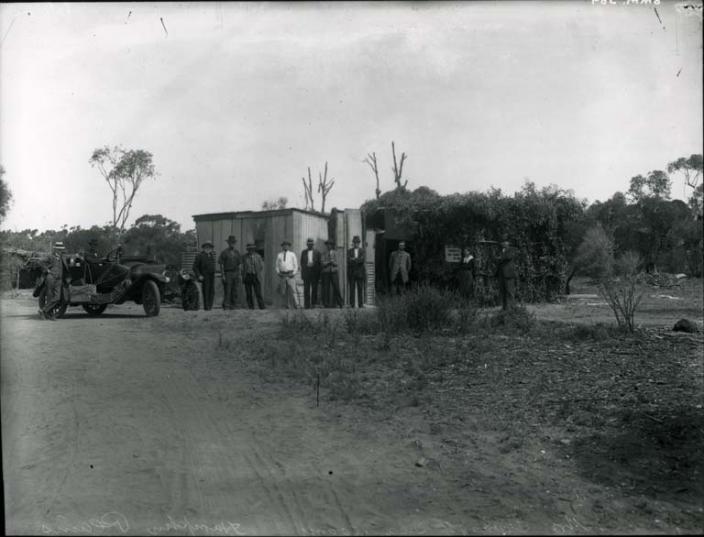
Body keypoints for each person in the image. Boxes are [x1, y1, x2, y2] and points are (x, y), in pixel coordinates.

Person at [39, 242, 70, 320]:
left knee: (57, 297)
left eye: (61, 249)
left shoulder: (62, 257)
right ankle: (49, 314)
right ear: (56, 249)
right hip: (51, 277)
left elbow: (69, 258)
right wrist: (47, 270)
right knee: (50, 296)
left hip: (59, 279)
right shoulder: (50, 256)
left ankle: (43, 310)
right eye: (59, 249)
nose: (61, 251)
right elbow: (41, 262)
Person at [219, 235, 242, 310]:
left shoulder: (237, 252)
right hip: (227, 273)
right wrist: (223, 275)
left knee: (235, 290)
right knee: (227, 290)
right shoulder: (224, 252)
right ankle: (226, 306)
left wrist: (239, 274)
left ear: (234, 243)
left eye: (233, 242)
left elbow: (239, 264)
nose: (232, 244)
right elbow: (221, 265)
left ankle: (233, 305)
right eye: (230, 242)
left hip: (235, 273)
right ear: (228, 243)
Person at [275, 240, 300, 309]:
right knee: (283, 291)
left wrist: (294, 273)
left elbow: (296, 265)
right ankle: (286, 305)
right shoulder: (279, 255)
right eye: (284, 245)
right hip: (283, 274)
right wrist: (278, 272)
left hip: (290, 274)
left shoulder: (292, 254)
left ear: (289, 246)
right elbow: (277, 266)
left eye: (287, 245)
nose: (285, 246)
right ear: (282, 246)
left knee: (293, 290)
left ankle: (296, 305)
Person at [241, 243, 266, 310]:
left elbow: (261, 266)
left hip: (256, 276)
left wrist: (256, 271)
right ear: (248, 250)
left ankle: (262, 307)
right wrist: (244, 273)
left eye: (252, 249)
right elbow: (242, 266)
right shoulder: (244, 257)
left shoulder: (258, 256)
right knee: (248, 293)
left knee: (258, 293)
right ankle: (251, 307)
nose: (250, 251)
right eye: (249, 249)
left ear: (254, 250)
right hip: (248, 276)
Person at [193, 241, 216, 310]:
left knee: (212, 291)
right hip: (205, 276)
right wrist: (199, 275)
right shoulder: (200, 256)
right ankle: (206, 307)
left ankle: (210, 306)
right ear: (203, 248)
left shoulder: (211, 255)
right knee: (206, 291)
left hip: (212, 276)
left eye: (209, 247)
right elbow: (194, 267)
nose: (208, 249)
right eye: (206, 247)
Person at [495, 238, 517, 310]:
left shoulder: (512, 249)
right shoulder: (501, 251)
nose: (503, 243)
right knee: (503, 291)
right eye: (502, 242)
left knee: (510, 291)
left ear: (508, 242)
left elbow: (508, 257)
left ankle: (512, 307)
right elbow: (497, 259)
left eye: (504, 242)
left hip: (508, 273)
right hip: (501, 273)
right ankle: (505, 307)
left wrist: (500, 258)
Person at [320, 239, 343, 308]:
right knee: (326, 288)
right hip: (326, 272)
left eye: (330, 245)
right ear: (326, 246)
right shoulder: (324, 253)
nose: (329, 246)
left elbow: (337, 263)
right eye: (328, 245)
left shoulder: (335, 253)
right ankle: (326, 304)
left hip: (334, 272)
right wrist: (329, 262)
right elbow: (322, 263)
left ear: (332, 246)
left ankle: (340, 303)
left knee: (336, 287)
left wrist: (332, 262)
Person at [300, 238, 322, 309]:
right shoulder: (303, 252)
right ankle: (306, 305)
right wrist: (306, 266)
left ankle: (313, 304)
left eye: (311, 244)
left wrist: (314, 266)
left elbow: (319, 264)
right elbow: (301, 263)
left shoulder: (317, 252)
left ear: (313, 245)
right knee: (306, 289)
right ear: (307, 245)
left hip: (314, 274)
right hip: (306, 273)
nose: (310, 245)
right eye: (309, 244)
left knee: (314, 289)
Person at [347, 235, 366, 308]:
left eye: (357, 242)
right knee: (351, 289)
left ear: (359, 243)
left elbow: (362, 260)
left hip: (360, 273)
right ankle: (352, 304)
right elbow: (348, 260)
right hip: (351, 273)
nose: (356, 244)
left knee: (360, 289)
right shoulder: (349, 251)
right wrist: (357, 259)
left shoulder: (362, 251)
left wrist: (354, 259)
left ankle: (360, 304)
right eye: (354, 242)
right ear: (353, 243)